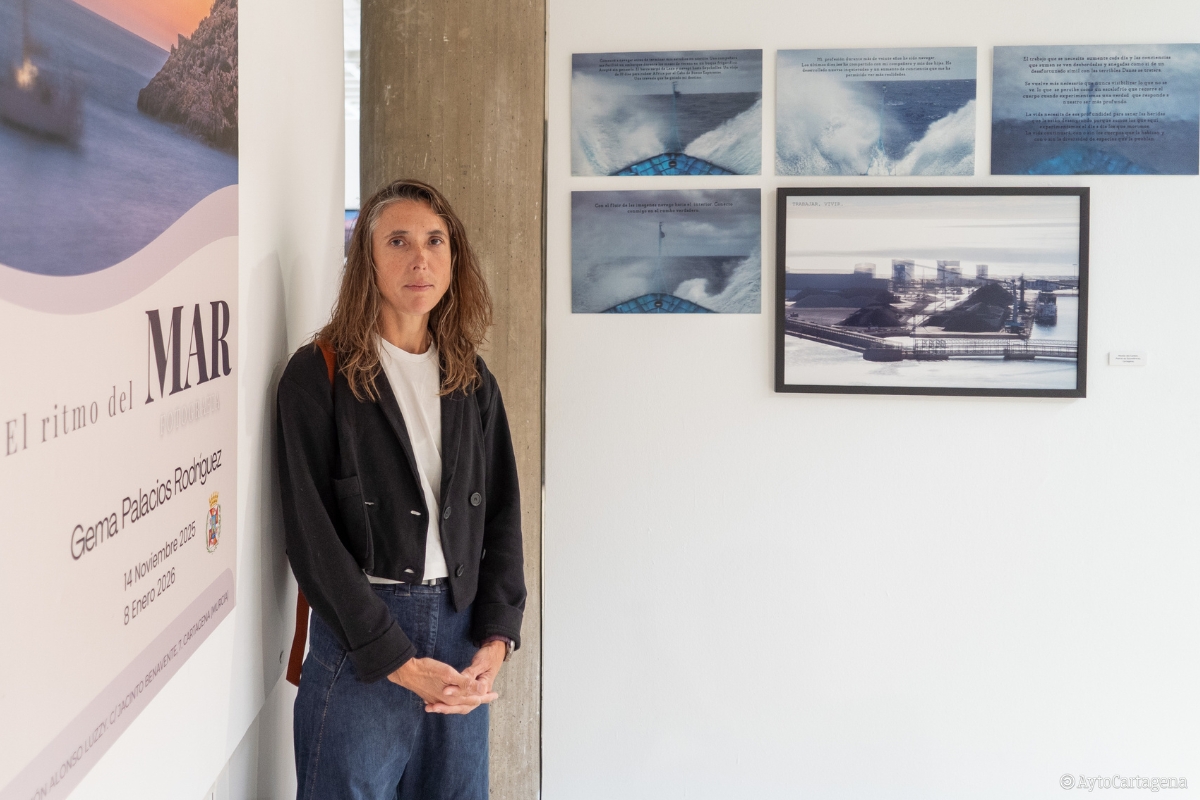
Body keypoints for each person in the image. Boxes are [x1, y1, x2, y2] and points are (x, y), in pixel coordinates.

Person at [276, 179, 526, 799]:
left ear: (453, 257)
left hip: (461, 631)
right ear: (366, 258)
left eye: (435, 241)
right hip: (363, 639)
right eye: (398, 241)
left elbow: (502, 514)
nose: (420, 259)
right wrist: (395, 659)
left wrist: (496, 636)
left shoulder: (469, 374)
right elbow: (312, 541)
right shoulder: (318, 374)